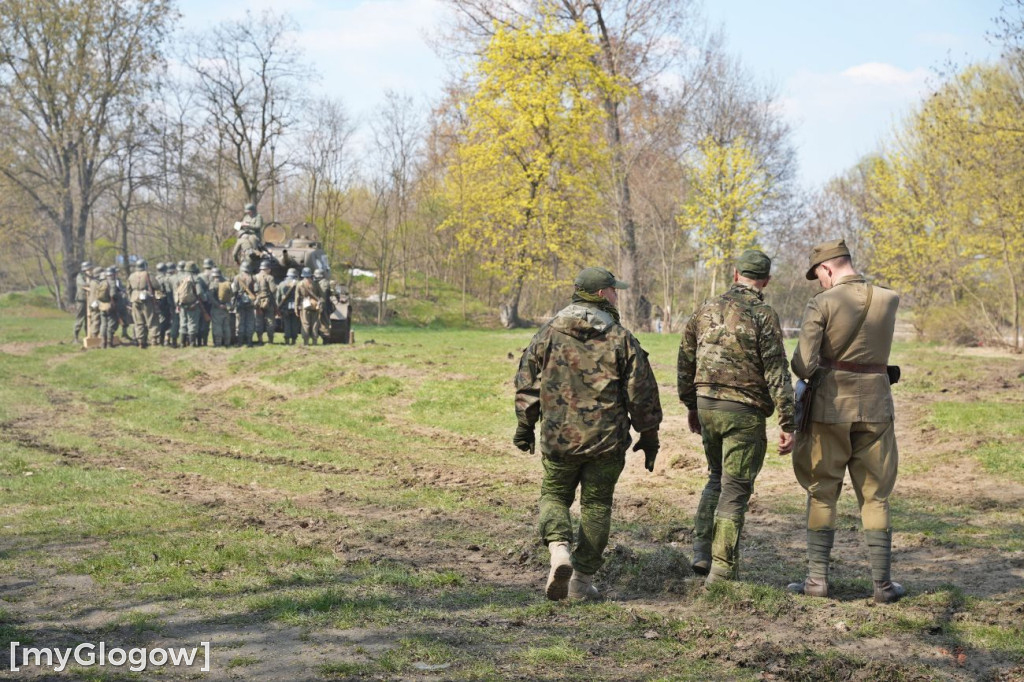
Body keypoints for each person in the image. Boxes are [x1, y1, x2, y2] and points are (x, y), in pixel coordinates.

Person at [514, 267, 662, 601]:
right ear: (600, 294)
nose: (617, 295)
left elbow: (527, 383)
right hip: (606, 441)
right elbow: (642, 394)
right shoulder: (621, 338)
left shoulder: (548, 333)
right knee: (596, 505)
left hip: (558, 438)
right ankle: (580, 583)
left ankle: (559, 550)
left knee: (555, 495)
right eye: (613, 290)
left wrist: (525, 425)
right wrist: (649, 435)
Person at [787, 239, 904, 604]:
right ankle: (883, 586)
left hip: (830, 408)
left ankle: (816, 582)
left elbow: (803, 365)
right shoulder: (889, 299)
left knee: (822, 491)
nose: (820, 282)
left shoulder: (822, 303)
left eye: (818, 275)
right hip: (876, 406)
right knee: (876, 495)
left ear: (827, 268)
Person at [677, 249, 795, 584]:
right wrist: (788, 421)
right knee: (735, 488)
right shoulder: (763, 314)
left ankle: (701, 552)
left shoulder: (705, 308)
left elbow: (685, 359)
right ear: (766, 281)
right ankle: (722, 569)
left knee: (716, 477)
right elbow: (776, 370)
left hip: (707, 405)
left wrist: (691, 405)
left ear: (735, 274)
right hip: (743, 411)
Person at [127, 260, 157, 348]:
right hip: (146, 299)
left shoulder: (131, 276)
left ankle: (140, 341)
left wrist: (131, 298)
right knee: (151, 320)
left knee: (138, 322)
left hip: (134, 299)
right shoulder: (148, 274)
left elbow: (128, 289)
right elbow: (156, 285)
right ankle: (154, 340)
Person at [176, 261, 203, 347]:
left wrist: (178, 303)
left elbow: (176, 291)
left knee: (183, 323)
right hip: (193, 304)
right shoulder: (196, 278)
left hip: (182, 304)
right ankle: (192, 343)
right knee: (192, 323)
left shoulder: (180, 277)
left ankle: (182, 343)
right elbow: (199, 292)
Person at [294, 267, 322, 345]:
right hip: (314, 306)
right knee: (315, 324)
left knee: (305, 324)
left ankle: (305, 342)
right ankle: (314, 341)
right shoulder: (315, 284)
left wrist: (296, 308)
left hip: (304, 306)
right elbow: (320, 295)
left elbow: (297, 297)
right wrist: (319, 304)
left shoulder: (299, 284)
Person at [254, 260, 278, 344]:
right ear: (268, 269)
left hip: (257, 302)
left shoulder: (255, 277)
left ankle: (260, 340)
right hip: (268, 302)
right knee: (270, 321)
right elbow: (273, 290)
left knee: (258, 321)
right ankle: (270, 341)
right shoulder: (269, 277)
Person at [233, 261, 257, 347]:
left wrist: (233, 303)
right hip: (250, 303)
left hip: (240, 303)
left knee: (240, 322)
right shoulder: (253, 278)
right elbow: (256, 290)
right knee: (250, 322)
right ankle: (249, 342)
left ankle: (240, 342)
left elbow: (234, 291)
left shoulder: (237, 278)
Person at [208, 268, 233, 347]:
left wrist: (218, 305)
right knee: (226, 326)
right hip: (226, 308)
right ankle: (227, 343)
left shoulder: (213, 284)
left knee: (217, 326)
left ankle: (218, 343)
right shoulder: (226, 283)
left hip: (217, 308)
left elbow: (211, 297)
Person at [276, 268, 300, 345]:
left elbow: (278, 297)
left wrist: (278, 307)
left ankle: (287, 340)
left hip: (285, 307)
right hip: (295, 306)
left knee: (286, 323)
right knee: (294, 323)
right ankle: (293, 340)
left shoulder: (281, 284)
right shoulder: (298, 283)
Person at [73, 261, 92, 342]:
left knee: (89, 320)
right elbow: (84, 285)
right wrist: (91, 285)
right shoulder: (80, 276)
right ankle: (76, 337)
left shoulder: (91, 277)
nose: (90, 270)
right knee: (80, 319)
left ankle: (88, 335)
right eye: (89, 269)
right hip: (81, 301)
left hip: (89, 300)